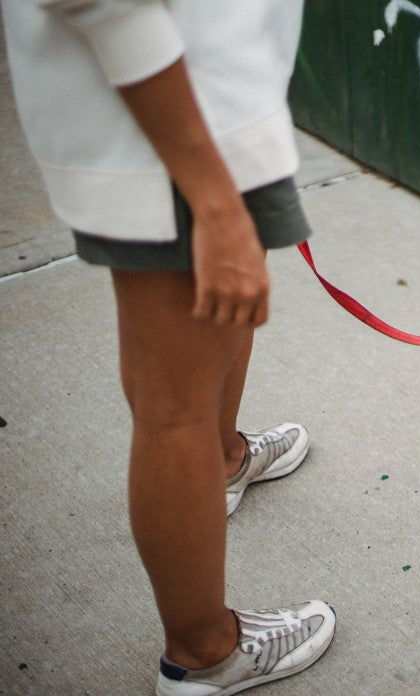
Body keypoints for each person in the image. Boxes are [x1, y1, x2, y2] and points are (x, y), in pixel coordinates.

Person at [2, 0, 335, 693]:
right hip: (166, 128)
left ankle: (223, 462)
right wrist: (211, 196)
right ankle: (204, 651)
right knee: (172, 406)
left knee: (230, 305)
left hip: (212, 108)